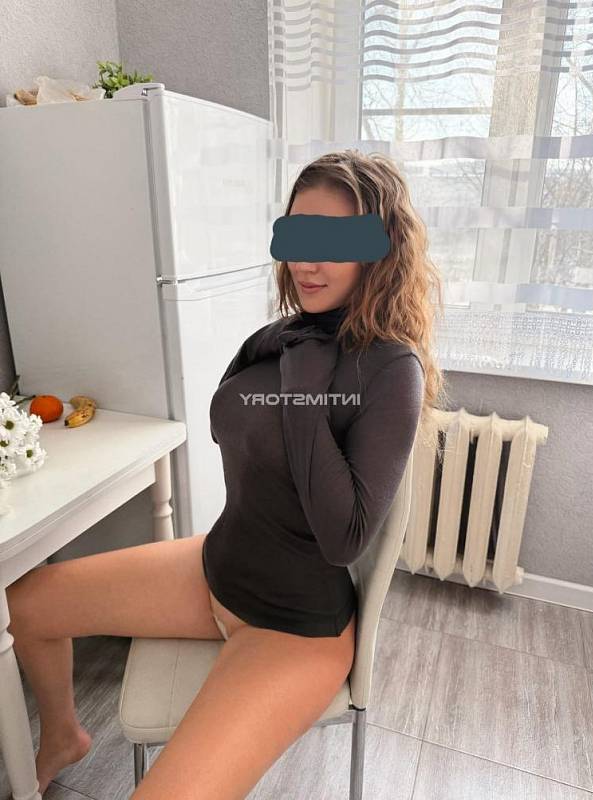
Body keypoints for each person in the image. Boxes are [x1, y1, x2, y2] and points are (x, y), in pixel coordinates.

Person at [6, 149, 447, 799]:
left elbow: (344, 539)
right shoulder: (284, 337)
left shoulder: (390, 369)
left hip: (293, 627)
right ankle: (63, 736)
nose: (307, 261)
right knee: (22, 606)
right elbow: (234, 437)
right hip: (216, 569)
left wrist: (302, 395)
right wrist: (283, 359)